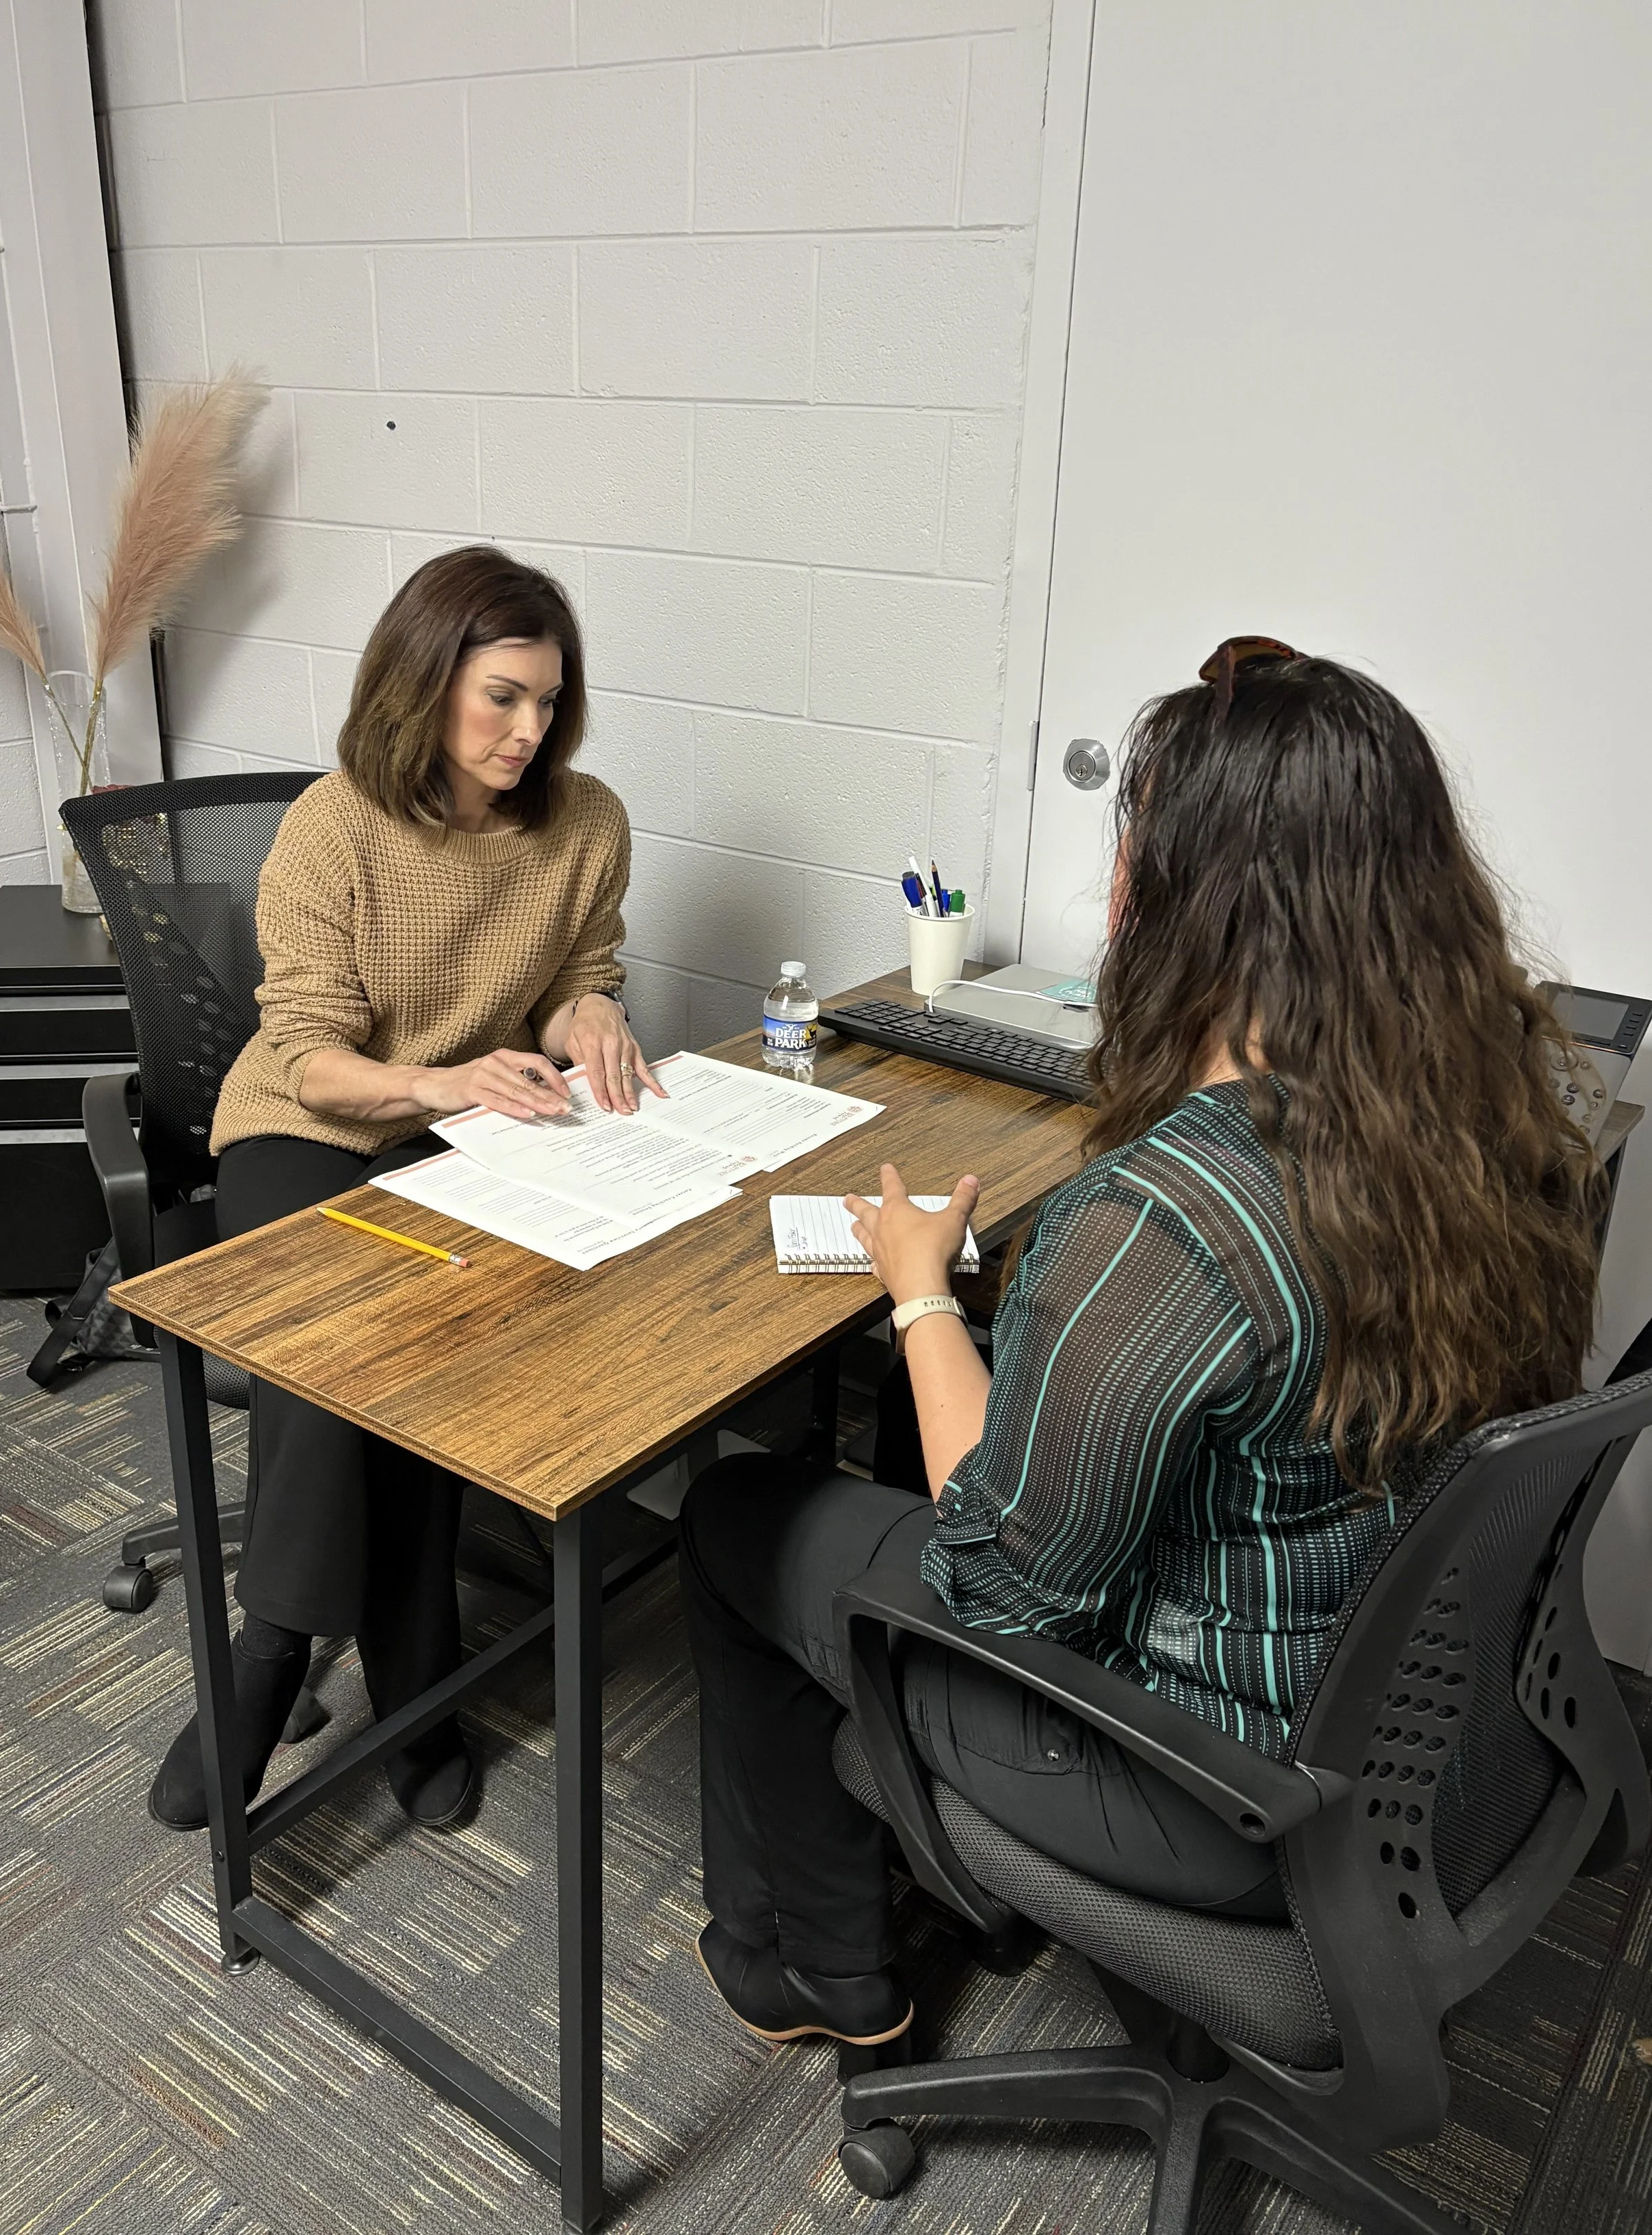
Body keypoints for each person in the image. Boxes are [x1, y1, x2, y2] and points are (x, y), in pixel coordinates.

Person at [679, 640, 1601, 2053]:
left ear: (1200, 904)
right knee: (937, 1409)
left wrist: (922, 1291)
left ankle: (814, 1964)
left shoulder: (1167, 1217)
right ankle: (921, 1873)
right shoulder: (1497, 1125)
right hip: (1416, 1717)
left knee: (738, 1511)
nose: (1112, 890)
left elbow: (993, 1582)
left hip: (1218, 1787)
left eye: (1136, 851)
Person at [150, 546, 659, 1833]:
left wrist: (588, 1010)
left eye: (549, 701)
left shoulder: (586, 821)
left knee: (442, 1346)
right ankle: (283, 1660)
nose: (528, 730)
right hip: (311, 1126)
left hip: (459, 1131)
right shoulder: (335, 827)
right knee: (347, 1347)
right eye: (501, 698)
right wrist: (443, 1086)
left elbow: (573, 969)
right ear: (423, 684)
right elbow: (312, 1061)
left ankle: (401, 1676)